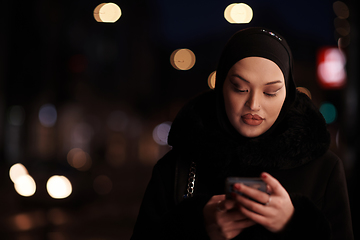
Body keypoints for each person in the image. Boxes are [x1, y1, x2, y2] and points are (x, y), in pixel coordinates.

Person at [130, 27, 353, 239]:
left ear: (288, 95)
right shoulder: (178, 165)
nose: (254, 104)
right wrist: (196, 226)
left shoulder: (323, 168)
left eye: (271, 92)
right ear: (221, 88)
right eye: (240, 88)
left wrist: (294, 224)